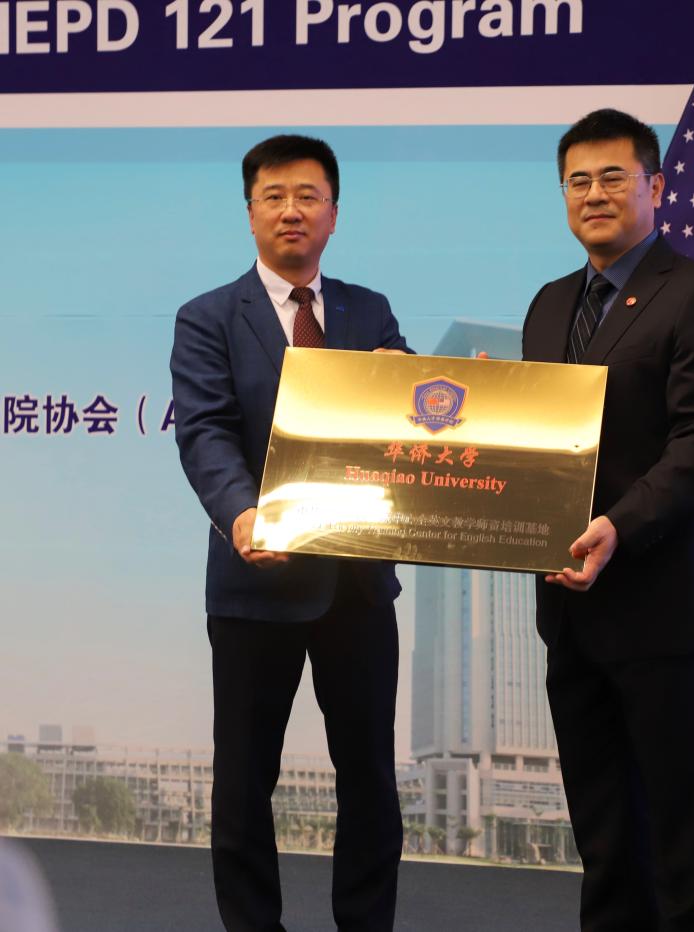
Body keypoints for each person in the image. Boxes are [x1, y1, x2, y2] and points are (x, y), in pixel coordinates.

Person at [521, 109, 694, 930]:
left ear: (655, 186)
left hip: (659, 601)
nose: (594, 194)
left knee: (679, 826)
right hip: (569, 605)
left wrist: (620, 525)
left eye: (613, 177)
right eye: (577, 181)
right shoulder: (549, 305)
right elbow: (543, 442)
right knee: (603, 825)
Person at [170, 134, 409, 932]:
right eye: (273, 196)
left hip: (357, 585)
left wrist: (461, 395)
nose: (291, 211)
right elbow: (206, 432)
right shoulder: (208, 317)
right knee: (244, 781)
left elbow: (409, 413)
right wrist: (243, 514)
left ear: (334, 214)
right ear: (250, 214)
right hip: (255, 581)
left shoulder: (370, 311)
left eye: (308, 196)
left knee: (369, 779)